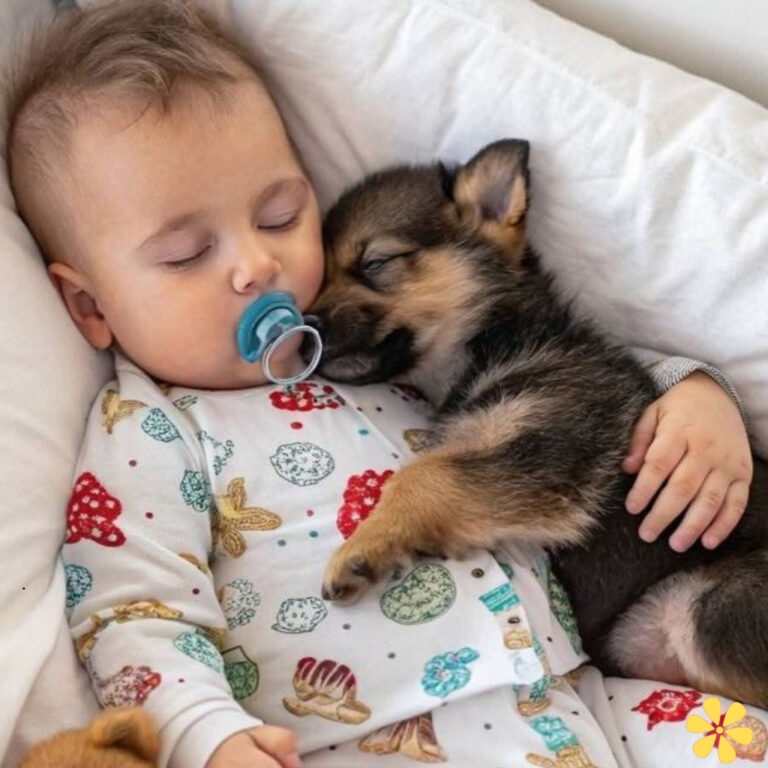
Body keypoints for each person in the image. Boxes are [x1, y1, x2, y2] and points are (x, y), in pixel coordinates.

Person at [4, 1, 753, 767]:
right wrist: (207, 735)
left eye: (279, 214)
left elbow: (556, 382)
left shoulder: (376, 366)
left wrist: (691, 391)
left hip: (578, 702)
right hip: (367, 738)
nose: (257, 266)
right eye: (188, 253)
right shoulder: (151, 427)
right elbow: (131, 610)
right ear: (92, 307)